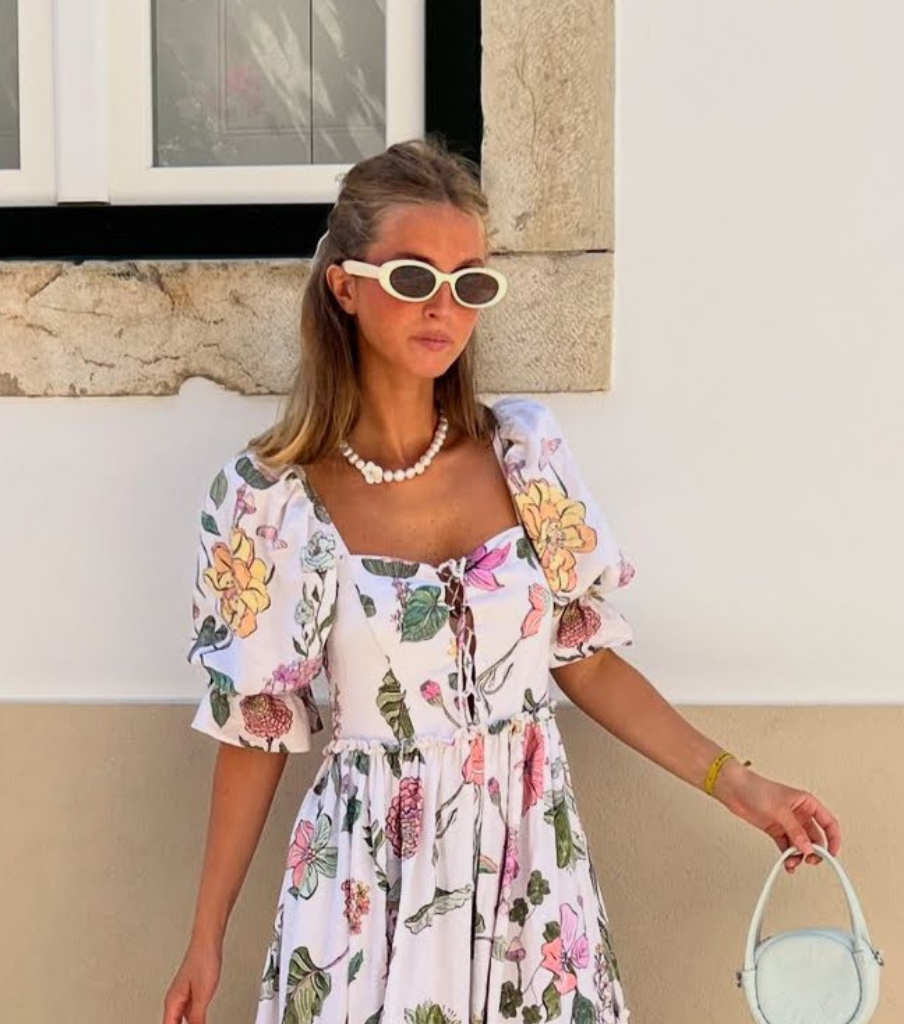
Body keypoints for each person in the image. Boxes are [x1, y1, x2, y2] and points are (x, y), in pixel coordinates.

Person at [162, 137, 841, 1024]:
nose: (443, 307)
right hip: (368, 885)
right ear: (345, 287)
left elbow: (586, 660)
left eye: (470, 283)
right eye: (413, 277)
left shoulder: (526, 454)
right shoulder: (268, 502)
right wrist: (205, 936)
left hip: (531, 875)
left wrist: (739, 784)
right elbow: (257, 731)